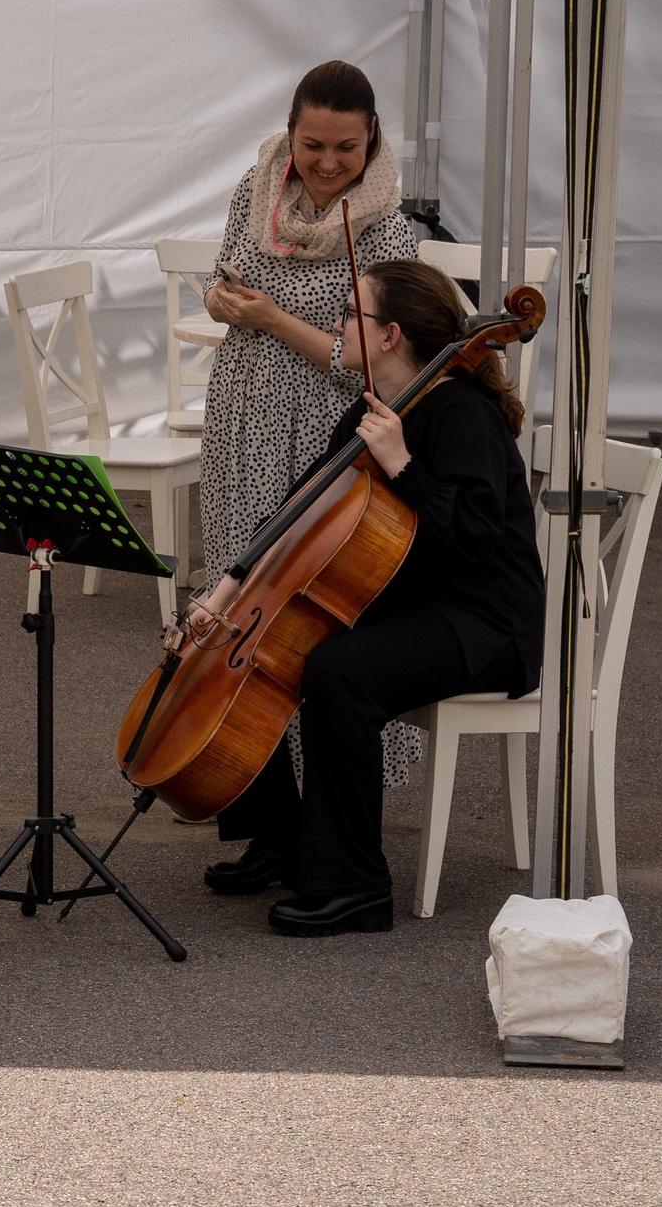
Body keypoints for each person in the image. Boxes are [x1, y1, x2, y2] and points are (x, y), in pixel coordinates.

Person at [185, 260, 542, 935]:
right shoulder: (372, 409)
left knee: (339, 672)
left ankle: (355, 886)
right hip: (416, 601)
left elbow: (473, 537)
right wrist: (226, 590)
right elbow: (302, 510)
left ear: (390, 335)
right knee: (259, 641)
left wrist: (402, 463)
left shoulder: (461, 412)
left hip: (484, 621)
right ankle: (284, 836)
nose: (337, 325)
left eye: (352, 313)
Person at [195, 59, 421, 889]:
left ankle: (326, 826)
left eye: (345, 148)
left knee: (309, 620)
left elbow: (369, 360)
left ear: (372, 141)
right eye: (313, 145)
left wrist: (266, 317)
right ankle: (265, 826)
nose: (327, 164)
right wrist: (224, 304)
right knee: (243, 618)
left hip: (324, 428)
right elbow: (225, 281)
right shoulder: (257, 191)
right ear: (291, 134)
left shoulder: (390, 227)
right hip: (245, 416)